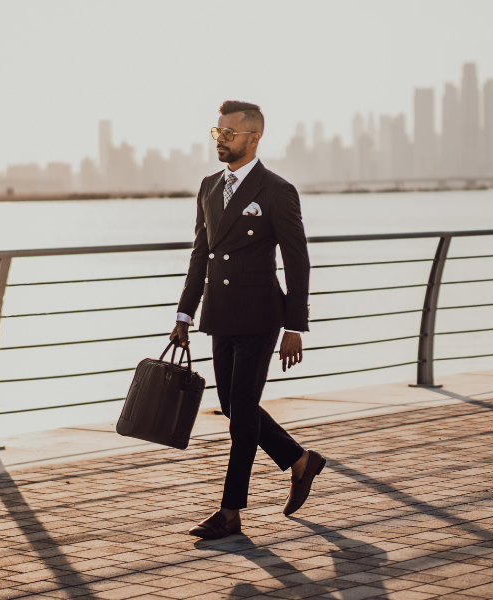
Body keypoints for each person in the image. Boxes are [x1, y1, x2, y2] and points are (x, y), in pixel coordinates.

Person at [172, 100, 325, 540]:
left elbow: (298, 261)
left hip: (261, 316)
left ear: (253, 138)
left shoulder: (276, 190)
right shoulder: (207, 186)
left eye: (228, 133)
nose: (219, 140)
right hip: (219, 316)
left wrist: (295, 326)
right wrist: (184, 313)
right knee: (235, 405)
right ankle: (300, 461)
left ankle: (230, 512)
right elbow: (200, 255)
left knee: (241, 415)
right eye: (216, 132)